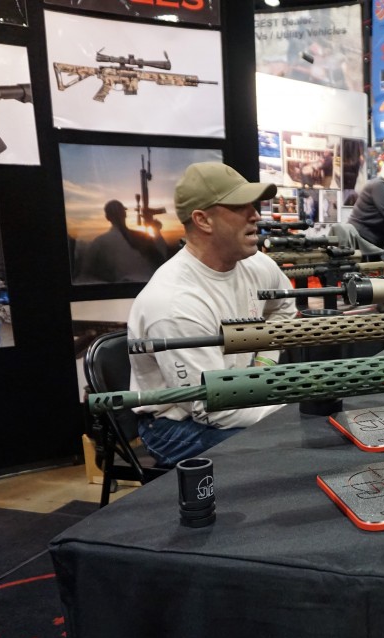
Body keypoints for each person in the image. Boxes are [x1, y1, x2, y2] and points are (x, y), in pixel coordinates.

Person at [128, 162, 298, 466]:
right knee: (285, 453)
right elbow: (214, 409)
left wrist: (263, 364)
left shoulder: (257, 265)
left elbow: (284, 308)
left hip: (241, 394)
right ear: (203, 220)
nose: (255, 214)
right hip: (179, 425)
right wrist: (291, 409)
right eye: (239, 206)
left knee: (303, 439)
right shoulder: (174, 303)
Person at [77, 199, 169, 283]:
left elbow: (84, 276)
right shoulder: (141, 237)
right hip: (147, 288)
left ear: (107, 217)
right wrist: (156, 229)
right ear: (125, 214)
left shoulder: (99, 242)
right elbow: (162, 257)